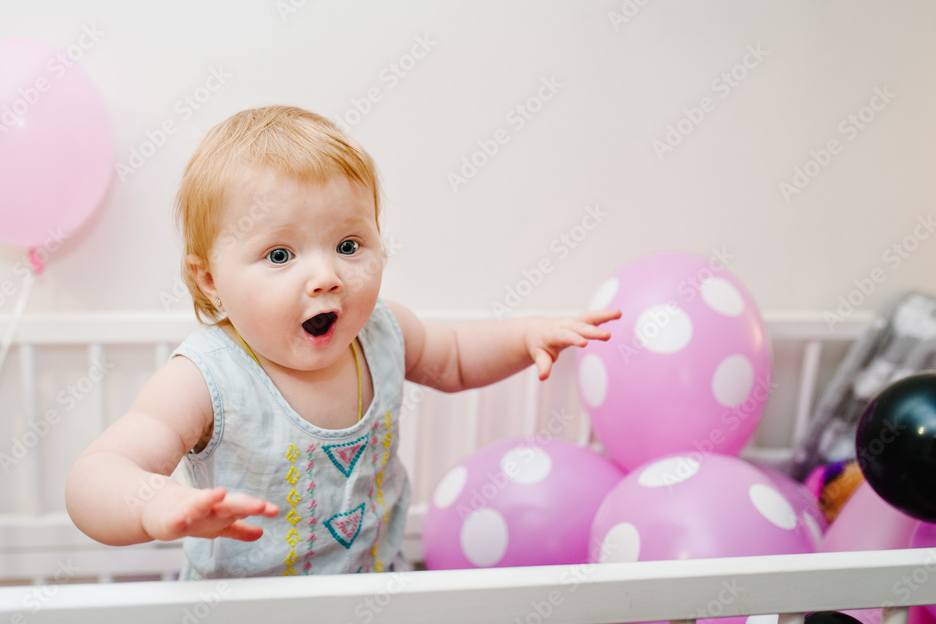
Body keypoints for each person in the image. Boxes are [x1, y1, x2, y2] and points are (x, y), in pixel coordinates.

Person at [65, 105, 620, 579]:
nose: (326, 275)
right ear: (210, 278)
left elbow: (453, 359)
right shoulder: (208, 377)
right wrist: (156, 503)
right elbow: (97, 474)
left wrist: (524, 336)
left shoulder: (382, 331)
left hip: (372, 591)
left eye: (349, 244)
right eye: (280, 255)